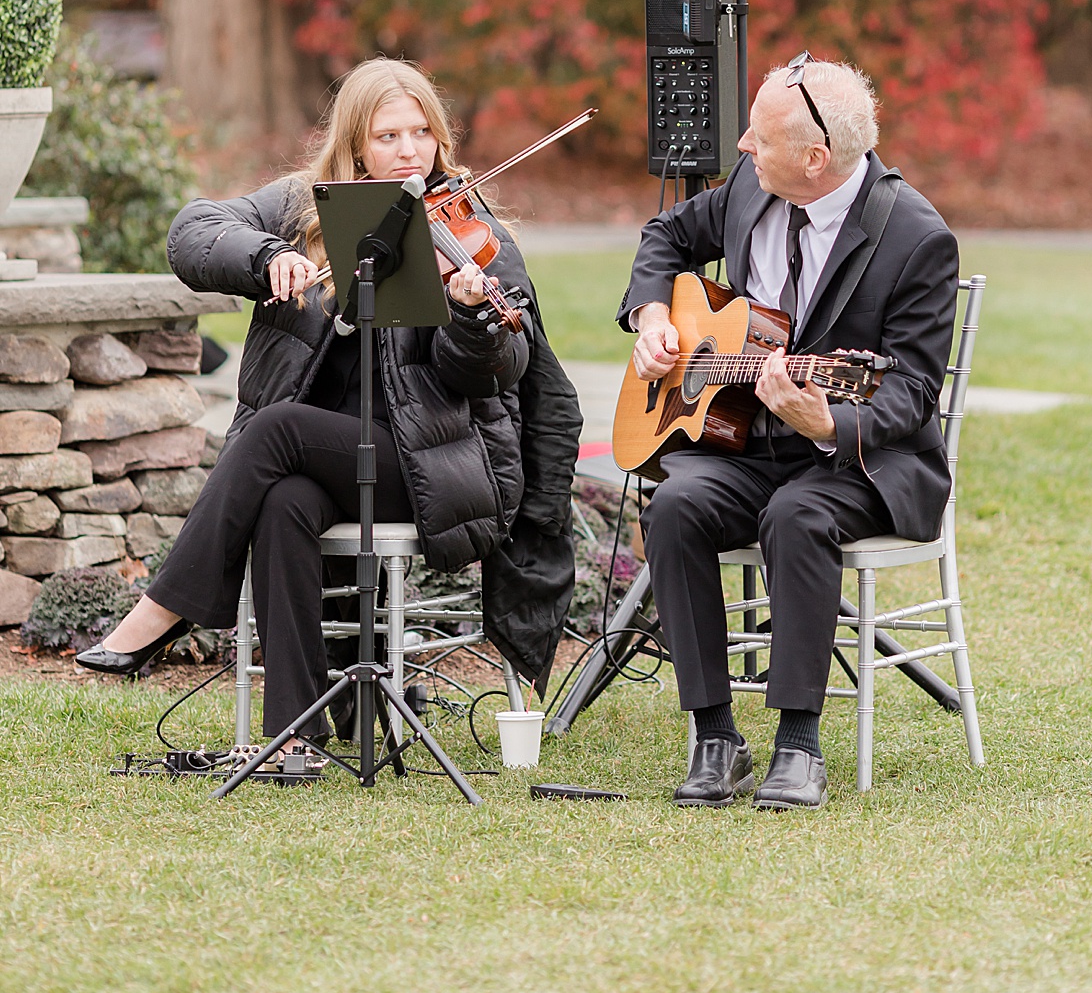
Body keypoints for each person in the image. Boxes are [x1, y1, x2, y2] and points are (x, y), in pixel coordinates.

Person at [77, 60, 582, 768]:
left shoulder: (474, 239)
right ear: (354, 145)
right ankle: (297, 738)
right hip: (323, 462)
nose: (411, 150)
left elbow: (499, 373)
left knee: (276, 429)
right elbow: (192, 233)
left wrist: (471, 318)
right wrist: (267, 256)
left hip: (435, 470)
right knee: (283, 501)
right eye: (388, 135)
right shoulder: (302, 208)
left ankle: (165, 607)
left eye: (422, 134)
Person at [623, 55, 959, 810]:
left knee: (798, 513)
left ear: (817, 158)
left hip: (856, 463)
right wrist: (651, 317)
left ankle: (799, 745)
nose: (741, 144)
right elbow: (665, 235)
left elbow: (908, 392)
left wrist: (831, 419)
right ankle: (715, 736)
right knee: (674, 505)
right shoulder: (752, 184)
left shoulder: (916, 237)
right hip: (745, 442)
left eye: (759, 135)